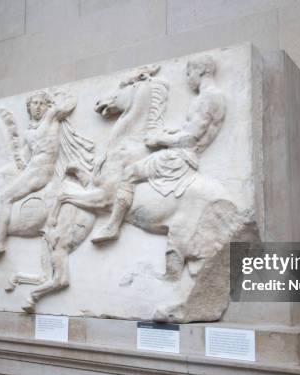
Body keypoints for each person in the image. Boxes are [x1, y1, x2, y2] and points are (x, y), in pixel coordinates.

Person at [91, 55, 226, 243]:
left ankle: (113, 226)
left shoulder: (208, 98)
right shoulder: (212, 96)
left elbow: (191, 137)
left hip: (179, 157)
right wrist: (171, 133)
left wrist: (160, 138)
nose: (188, 79)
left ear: (201, 71)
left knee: (129, 172)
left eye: (189, 74)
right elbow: (192, 130)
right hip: (185, 152)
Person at [0, 90, 77, 262]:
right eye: (34, 104)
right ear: (29, 107)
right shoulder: (30, 130)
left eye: (41, 103)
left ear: (47, 106)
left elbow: (71, 103)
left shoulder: (51, 117)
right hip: (31, 169)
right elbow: (25, 157)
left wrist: (59, 99)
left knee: (6, 197)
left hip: (41, 171)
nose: (38, 107)